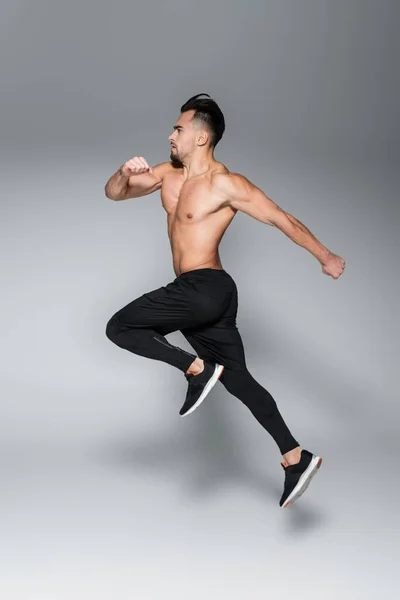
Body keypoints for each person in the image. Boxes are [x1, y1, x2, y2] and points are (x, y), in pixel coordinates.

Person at [104, 93, 345, 508]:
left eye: (178, 129)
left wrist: (325, 256)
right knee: (238, 378)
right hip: (198, 295)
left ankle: (196, 368)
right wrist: (124, 172)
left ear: (200, 137)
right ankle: (295, 458)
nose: (170, 134)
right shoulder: (167, 174)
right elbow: (114, 194)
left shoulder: (226, 183)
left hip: (206, 286)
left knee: (119, 327)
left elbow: (281, 218)